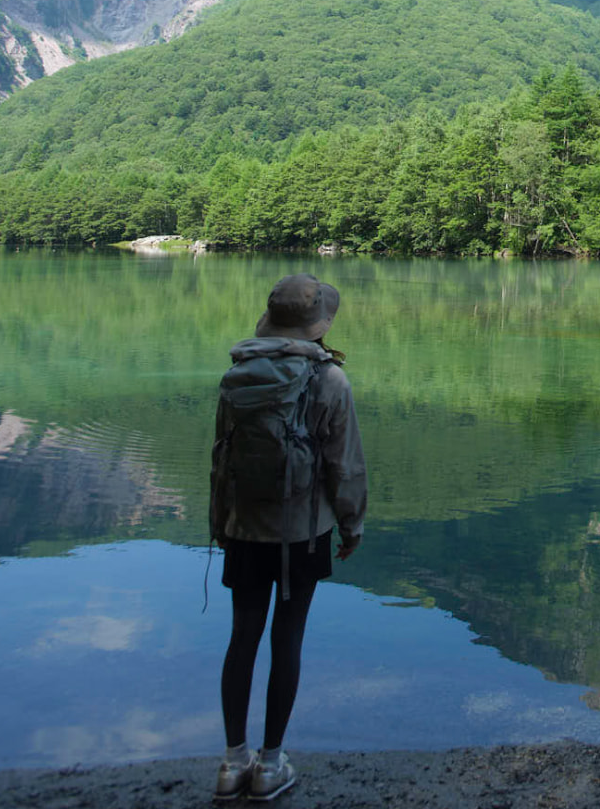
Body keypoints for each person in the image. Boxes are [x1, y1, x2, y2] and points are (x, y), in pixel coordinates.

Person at [210, 273, 369, 802]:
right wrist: (351, 526)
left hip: (242, 528)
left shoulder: (239, 373)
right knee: (288, 639)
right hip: (301, 533)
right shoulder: (329, 380)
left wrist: (220, 524)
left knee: (242, 639)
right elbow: (344, 467)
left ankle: (233, 763)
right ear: (318, 324)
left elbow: (220, 459)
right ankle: (271, 765)